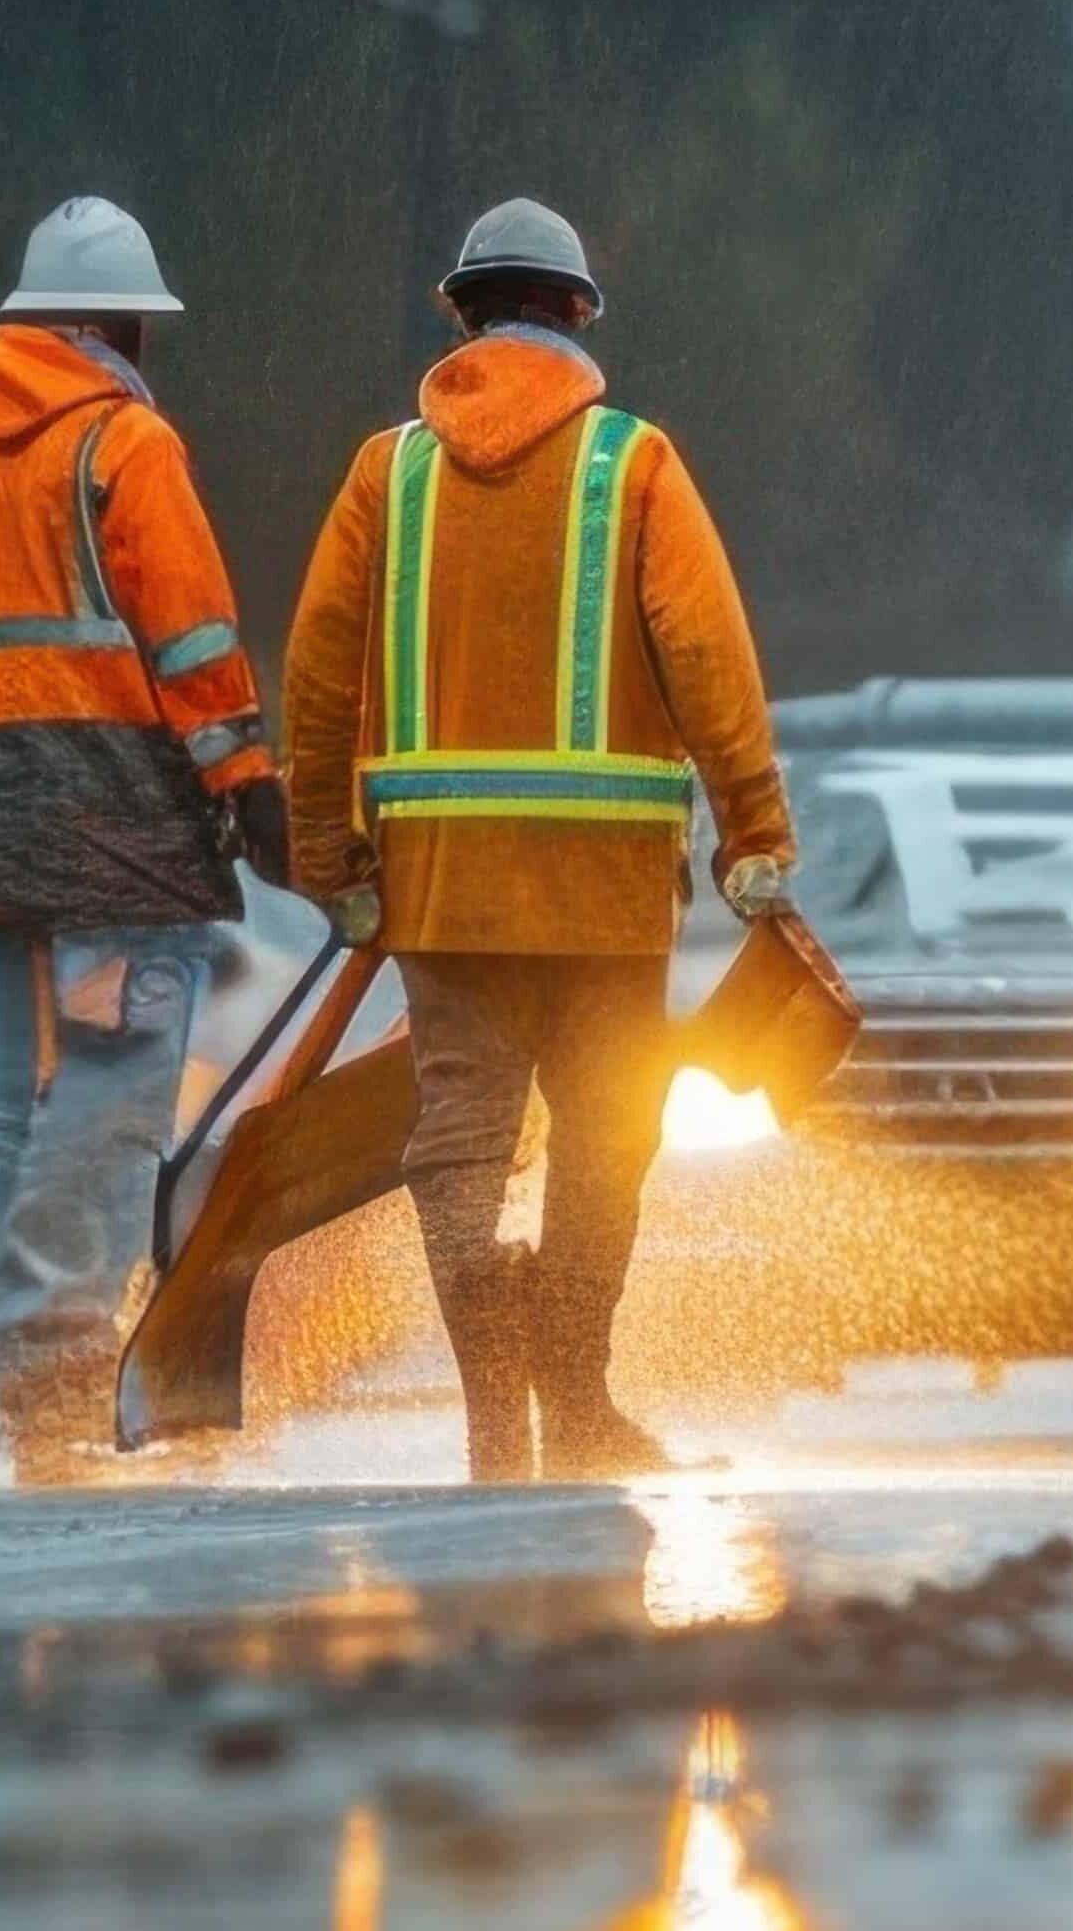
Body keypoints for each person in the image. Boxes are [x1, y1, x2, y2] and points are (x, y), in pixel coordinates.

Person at [274, 199, 792, 1483]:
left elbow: (320, 672)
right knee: (607, 1135)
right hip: (606, 889)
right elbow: (707, 655)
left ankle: (493, 1419)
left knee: (458, 1141)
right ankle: (576, 1400)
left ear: (460, 315)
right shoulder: (635, 464)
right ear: (576, 316)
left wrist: (327, 853)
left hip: (441, 888)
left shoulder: (384, 473)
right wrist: (753, 826)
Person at [0, 196, 288, 1480]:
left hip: (5, 844)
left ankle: (38, 1381)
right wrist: (247, 780)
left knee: (20, 1115)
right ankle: (67, 1357)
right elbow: (189, 635)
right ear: (108, 323)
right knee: (105, 1101)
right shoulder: (123, 447)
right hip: (118, 843)